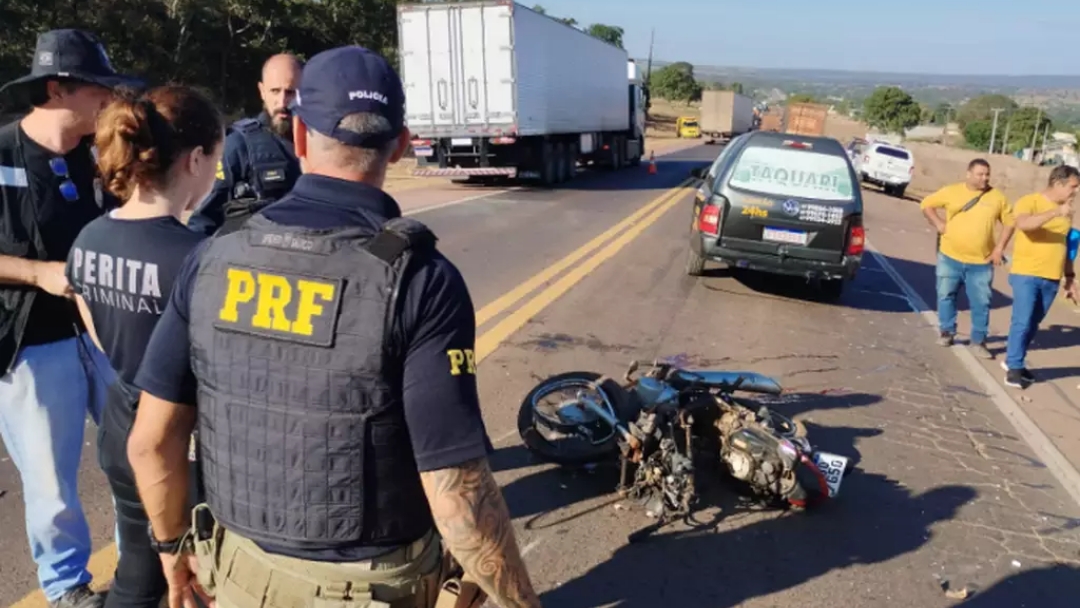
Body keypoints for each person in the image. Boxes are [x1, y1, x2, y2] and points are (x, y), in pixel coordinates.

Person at [126, 45, 541, 608]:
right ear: (399, 144)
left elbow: (152, 443)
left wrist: (173, 551)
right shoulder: (420, 278)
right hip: (369, 591)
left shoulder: (213, 256)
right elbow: (457, 495)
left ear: (298, 137)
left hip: (239, 576)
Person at [65, 84, 223, 608]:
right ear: (196, 159)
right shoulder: (201, 259)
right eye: (215, 162)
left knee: (139, 569)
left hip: (120, 424)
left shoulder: (87, 239)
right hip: (184, 444)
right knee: (200, 577)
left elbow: (98, 332)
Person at [0, 29, 142, 608]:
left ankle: (142, 568)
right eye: (97, 90)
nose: (108, 100)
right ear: (58, 89)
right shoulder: (2, 154)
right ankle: (67, 589)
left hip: (102, 333)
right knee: (52, 481)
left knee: (135, 458)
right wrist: (37, 273)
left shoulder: (95, 159)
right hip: (31, 344)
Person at [185, 53, 302, 236]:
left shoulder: (321, 144)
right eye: (275, 91)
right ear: (262, 91)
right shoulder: (239, 146)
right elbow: (202, 221)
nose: (282, 102)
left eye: (290, 92)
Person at [920, 158, 1015, 358]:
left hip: (981, 262)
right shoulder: (951, 191)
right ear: (968, 174)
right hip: (949, 256)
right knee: (946, 295)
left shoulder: (997, 197)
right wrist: (938, 223)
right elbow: (927, 204)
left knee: (981, 302)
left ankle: (979, 341)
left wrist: (999, 249)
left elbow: (1010, 223)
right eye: (980, 174)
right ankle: (947, 332)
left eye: (987, 174)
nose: (985, 178)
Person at [1001, 165, 1080, 388]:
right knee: (1022, 321)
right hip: (1027, 273)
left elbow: (1065, 246)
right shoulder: (1030, 201)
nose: (1075, 192)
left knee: (1033, 323)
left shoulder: (1066, 212)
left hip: (1051, 277)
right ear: (1057, 183)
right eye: (1073, 187)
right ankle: (1014, 368)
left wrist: (1070, 277)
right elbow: (1024, 225)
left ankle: (1014, 360)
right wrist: (1056, 212)